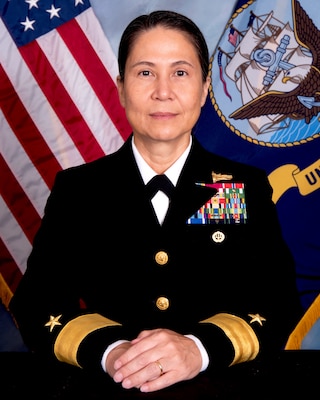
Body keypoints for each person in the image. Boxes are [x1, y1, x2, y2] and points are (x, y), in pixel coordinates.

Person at [9, 10, 303, 393]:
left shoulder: (244, 187)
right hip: (113, 385)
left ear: (203, 88)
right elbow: (36, 305)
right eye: (145, 72)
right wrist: (114, 353)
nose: (163, 91)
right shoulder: (78, 191)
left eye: (180, 72)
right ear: (120, 88)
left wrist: (198, 349)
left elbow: (278, 300)